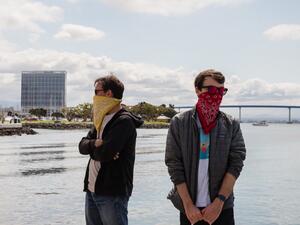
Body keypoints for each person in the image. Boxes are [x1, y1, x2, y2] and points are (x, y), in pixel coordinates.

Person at [165, 69, 246, 225]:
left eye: (221, 91)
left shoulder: (230, 124)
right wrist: (188, 205)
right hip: (190, 211)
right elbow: (174, 164)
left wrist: (219, 202)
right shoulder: (180, 123)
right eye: (211, 90)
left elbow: (236, 163)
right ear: (197, 90)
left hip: (222, 209)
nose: (216, 95)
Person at [79, 74, 143, 225]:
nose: (94, 96)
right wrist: (95, 143)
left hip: (112, 191)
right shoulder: (100, 118)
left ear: (109, 93)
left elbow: (105, 153)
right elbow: (81, 146)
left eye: (97, 92)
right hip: (92, 189)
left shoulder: (124, 121)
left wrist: (94, 149)